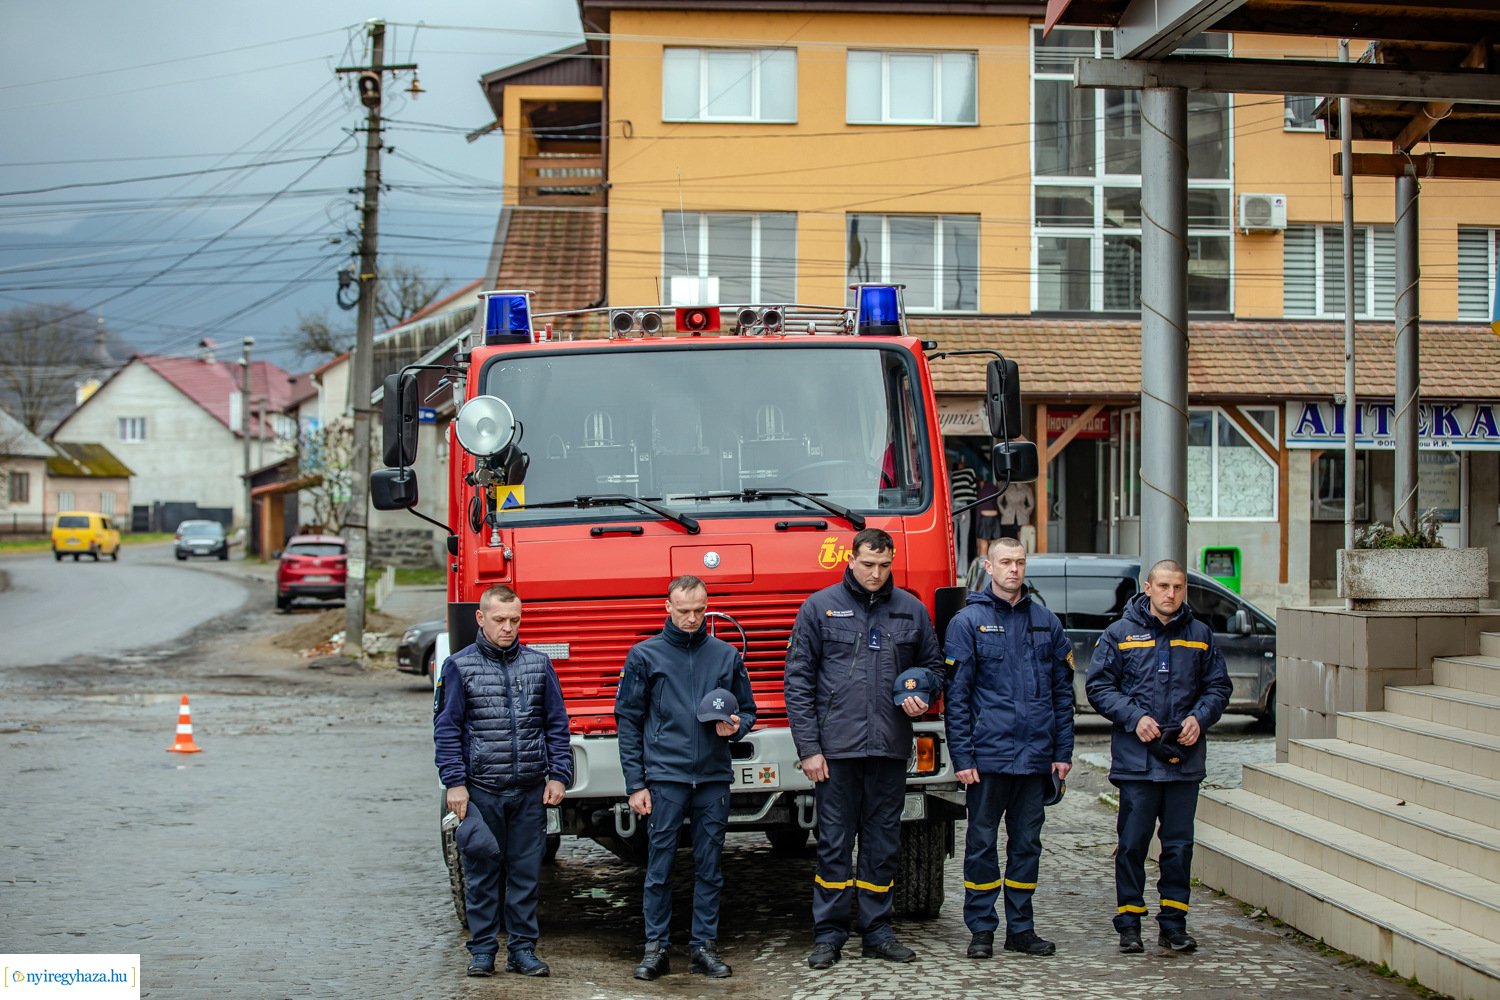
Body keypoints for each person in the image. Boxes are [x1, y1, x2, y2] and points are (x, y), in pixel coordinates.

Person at [784, 527, 943, 969]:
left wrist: (924, 694)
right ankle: (829, 934)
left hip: (889, 747)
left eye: (884, 565)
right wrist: (809, 748)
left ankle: (877, 930)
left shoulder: (910, 610)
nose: (876, 574)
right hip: (836, 751)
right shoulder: (819, 608)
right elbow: (797, 681)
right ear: (850, 560)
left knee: (882, 843)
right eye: (868, 564)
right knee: (834, 843)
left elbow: (933, 667)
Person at [615, 575, 757, 982]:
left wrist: (737, 727)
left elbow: (747, 710)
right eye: (684, 611)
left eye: (699, 610)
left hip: (713, 776)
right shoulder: (645, 656)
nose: (692, 618)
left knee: (710, 866)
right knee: (659, 866)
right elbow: (628, 721)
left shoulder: (726, 655)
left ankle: (703, 947)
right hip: (665, 776)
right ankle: (656, 947)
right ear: (668, 607)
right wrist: (635, 783)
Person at [1086, 560, 1231, 955]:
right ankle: (1129, 924)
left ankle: (1173, 925)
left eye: (1178, 587)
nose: (1171, 594)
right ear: (1147, 587)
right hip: (1137, 762)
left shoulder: (1200, 635)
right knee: (1132, 844)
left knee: (1179, 847)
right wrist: (1134, 718)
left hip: (1184, 762)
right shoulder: (1119, 634)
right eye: (1164, 586)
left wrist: (1200, 719)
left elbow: (1218, 688)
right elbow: (1098, 687)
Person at [943, 536, 1074, 959]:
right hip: (987, 758)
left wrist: (1062, 753)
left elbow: (1062, 694)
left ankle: (1021, 928)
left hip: (1035, 759)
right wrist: (962, 757)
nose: (1014, 569)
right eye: (1005, 562)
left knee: (1026, 846)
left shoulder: (1045, 622)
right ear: (989, 565)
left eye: (1019, 562)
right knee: (981, 846)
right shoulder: (968, 622)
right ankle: (981, 929)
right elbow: (957, 698)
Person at [434, 584, 572, 979]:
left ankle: (523, 950)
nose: (508, 628)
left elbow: (556, 724)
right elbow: (447, 729)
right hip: (482, 790)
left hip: (529, 789)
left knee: (526, 875)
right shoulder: (459, 667)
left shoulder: (539, 665)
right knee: (481, 876)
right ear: (481, 618)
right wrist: (455, 784)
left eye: (514, 620)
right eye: (499, 620)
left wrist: (558, 775)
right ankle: (481, 952)